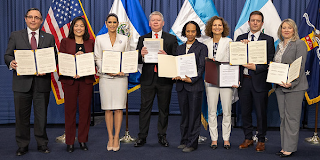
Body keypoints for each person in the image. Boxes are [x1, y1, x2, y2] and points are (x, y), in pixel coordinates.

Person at [4, 8, 56, 156]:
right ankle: (22, 145)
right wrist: (11, 62)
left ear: (40, 21)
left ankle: (42, 143)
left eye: (36, 18)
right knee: (21, 117)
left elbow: (54, 58)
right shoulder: (15, 36)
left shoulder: (49, 37)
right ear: (25, 19)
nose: (33, 20)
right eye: (30, 17)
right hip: (21, 83)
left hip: (42, 83)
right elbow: (7, 55)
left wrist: (49, 67)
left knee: (41, 116)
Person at [134, 11, 178, 147]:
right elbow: (136, 60)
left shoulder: (171, 39)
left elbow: (176, 60)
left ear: (163, 23)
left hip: (165, 80)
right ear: (149, 23)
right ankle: (142, 137)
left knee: (164, 109)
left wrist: (167, 56)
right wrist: (140, 55)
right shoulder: (143, 39)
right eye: (153, 20)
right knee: (144, 109)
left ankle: (162, 136)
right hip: (147, 79)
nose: (155, 22)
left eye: (158, 20)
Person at [236, 11, 275, 152]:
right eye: (253, 20)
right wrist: (242, 47)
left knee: (261, 112)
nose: (255, 23)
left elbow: (270, 61)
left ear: (262, 23)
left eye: (258, 21)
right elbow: (235, 60)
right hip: (244, 81)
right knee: (245, 112)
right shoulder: (240, 38)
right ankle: (248, 138)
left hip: (260, 81)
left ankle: (261, 140)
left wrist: (256, 67)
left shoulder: (268, 40)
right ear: (248, 22)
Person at [59, 16, 95, 153]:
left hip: (86, 80)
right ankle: (69, 141)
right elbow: (62, 60)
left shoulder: (90, 42)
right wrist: (72, 67)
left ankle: (82, 140)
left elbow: (93, 61)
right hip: (70, 80)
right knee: (70, 111)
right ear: (72, 27)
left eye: (81, 26)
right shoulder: (65, 41)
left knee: (85, 111)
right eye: (76, 25)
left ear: (85, 28)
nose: (79, 28)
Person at [273, 19, 308, 157]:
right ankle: (284, 146)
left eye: (289, 28)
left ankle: (290, 148)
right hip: (279, 86)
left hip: (295, 87)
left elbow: (299, 66)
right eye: (284, 28)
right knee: (283, 118)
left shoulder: (299, 44)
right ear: (280, 30)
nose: (286, 30)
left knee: (292, 118)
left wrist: (292, 83)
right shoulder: (279, 45)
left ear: (294, 30)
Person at [94, 13, 129, 152]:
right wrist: (106, 71)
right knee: (108, 108)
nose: (112, 25)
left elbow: (127, 58)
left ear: (118, 23)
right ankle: (110, 137)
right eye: (110, 22)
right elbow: (97, 57)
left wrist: (123, 70)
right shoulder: (100, 38)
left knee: (119, 108)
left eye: (115, 22)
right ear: (106, 23)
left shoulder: (125, 39)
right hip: (105, 78)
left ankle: (117, 137)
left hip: (120, 78)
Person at [173, 21, 207, 152]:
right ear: (184, 32)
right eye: (188, 31)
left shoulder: (202, 47)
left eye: (193, 31)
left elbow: (201, 67)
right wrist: (174, 73)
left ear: (197, 32)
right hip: (181, 86)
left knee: (194, 116)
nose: (190, 33)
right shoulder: (179, 48)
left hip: (194, 86)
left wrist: (191, 79)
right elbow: (175, 65)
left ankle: (192, 143)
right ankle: (184, 140)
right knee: (184, 116)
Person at [203, 16, 234, 150]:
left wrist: (234, 79)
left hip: (227, 80)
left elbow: (234, 61)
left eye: (220, 25)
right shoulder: (205, 43)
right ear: (211, 27)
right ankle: (214, 138)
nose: (217, 27)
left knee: (227, 110)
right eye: (214, 25)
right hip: (210, 80)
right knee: (212, 110)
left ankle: (226, 138)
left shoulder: (229, 41)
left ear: (223, 27)